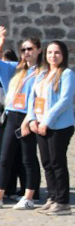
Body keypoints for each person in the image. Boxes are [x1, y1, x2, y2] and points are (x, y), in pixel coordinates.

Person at [0, 26, 43, 210]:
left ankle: (29, 196)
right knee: (4, 157)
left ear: (39, 50)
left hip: (29, 118)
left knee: (28, 159)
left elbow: (39, 99)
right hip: (12, 115)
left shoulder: (42, 72)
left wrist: (30, 120)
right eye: (23, 50)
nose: (26, 53)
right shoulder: (15, 69)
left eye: (30, 49)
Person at [23, 38, 72, 214]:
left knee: (57, 162)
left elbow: (64, 101)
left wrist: (47, 121)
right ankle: (53, 197)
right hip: (40, 125)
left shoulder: (66, 74)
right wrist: (32, 119)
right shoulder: (42, 75)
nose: (53, 55)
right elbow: (33, 99)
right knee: (47, 163)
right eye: (50, 52)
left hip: (59, 126)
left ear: (63, 55)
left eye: (57, 52)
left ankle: (63, 201)